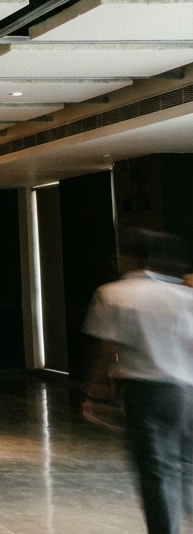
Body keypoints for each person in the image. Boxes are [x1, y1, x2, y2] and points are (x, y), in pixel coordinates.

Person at [84, 229, 193, 534]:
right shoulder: (183, 295)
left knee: (156, 471)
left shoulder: (114, 293)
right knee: (185, 465)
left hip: (145, 390)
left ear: (128, 258)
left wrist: (97, 393)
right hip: (184, 390)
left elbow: (107, 347)